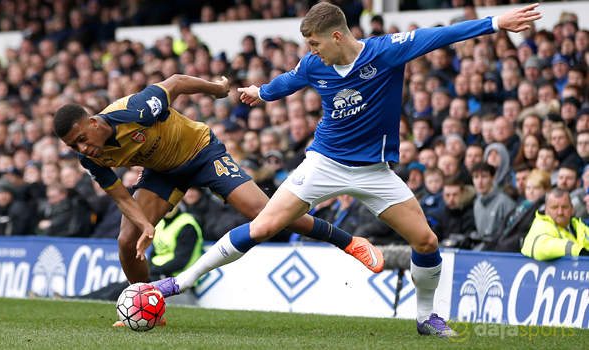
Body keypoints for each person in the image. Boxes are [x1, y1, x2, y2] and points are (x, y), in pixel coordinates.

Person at [151, 2, 541, 337]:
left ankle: (426, 317)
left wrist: (495, 23)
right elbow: (289, 80)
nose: (312, 52)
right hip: (323, 164)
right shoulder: (313, 64)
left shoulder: (385, 52)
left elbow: (441, 35)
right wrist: (260, 91)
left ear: (336, 37)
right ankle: (178, 282)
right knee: (264, 227)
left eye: (315, 43)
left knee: (426, 243)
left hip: (374, 172)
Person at [53, 73, 380, 287]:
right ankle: (143, 300)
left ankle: (349, 242)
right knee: (127, 240)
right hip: (162, 172)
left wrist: (218, 89)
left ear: (94, 122)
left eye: (82, 138)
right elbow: (123, 198)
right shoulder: (90, 158)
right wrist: (146, 225)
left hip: (202, 153)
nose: (82, 148)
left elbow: (177, 82)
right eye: (74, 146)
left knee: (265, 214)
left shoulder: (137, 110)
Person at [490, 169, 550, 252]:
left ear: (546, 190)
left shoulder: (544, 210)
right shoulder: (521, 206)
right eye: (528, 188)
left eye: (536, 188)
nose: (531, 192)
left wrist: (505, 244)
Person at [521, 188, 589, 260]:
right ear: (546, 210)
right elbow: (541, 247)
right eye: (555, 207)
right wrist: (578, 251)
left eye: (564, 207)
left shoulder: (580, 226)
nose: (560, 212)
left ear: (572, 209)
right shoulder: (540, 225)